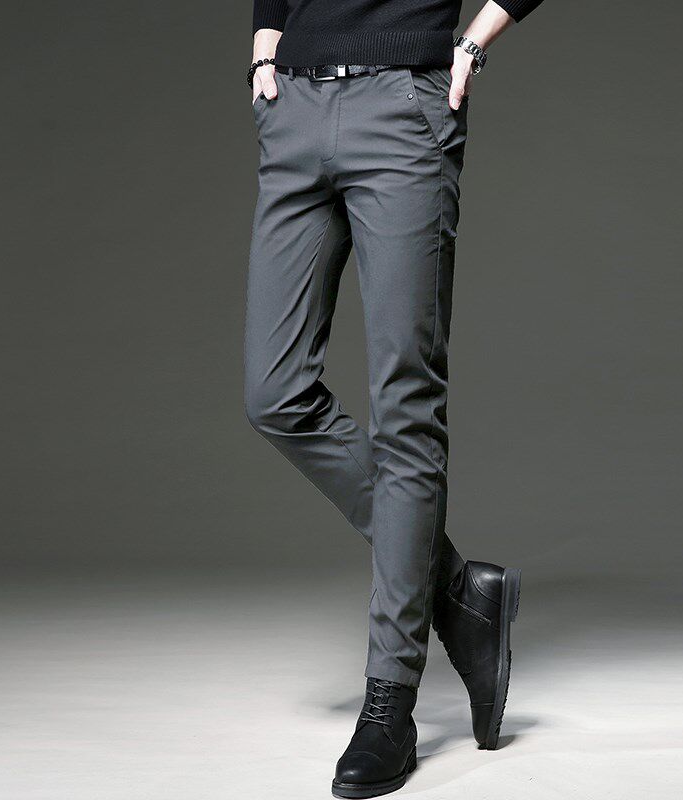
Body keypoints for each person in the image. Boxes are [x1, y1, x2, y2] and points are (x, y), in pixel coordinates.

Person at [244, 0, 543, 796]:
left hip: (403, 106)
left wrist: (472, 44)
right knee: (274, 392)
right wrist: (266, 44)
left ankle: (389, 709)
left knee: (405, 404)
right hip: (294, 106)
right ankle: (458, 591)